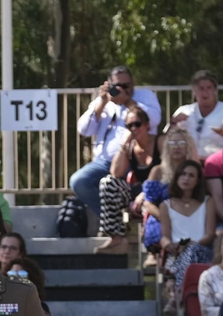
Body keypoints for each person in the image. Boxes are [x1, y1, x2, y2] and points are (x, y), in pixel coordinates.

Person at [71, 66, 163, 218]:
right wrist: (101, 102)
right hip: (103, 162)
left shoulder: (144, 96)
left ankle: (115, 223)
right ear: (109, 84)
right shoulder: (103, 101)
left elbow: (154, 119)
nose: (122, 90)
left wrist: (127, 101)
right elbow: (84, 130)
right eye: (117, 86)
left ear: (133, 84)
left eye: (126, 86)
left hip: (131, 162)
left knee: (111, 184)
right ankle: (114, 221)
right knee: (78, 182)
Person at [95, 105, 157, 250]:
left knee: (148, 204)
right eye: (129, 125)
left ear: (147, 125)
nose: (134, 128)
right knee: (107, 183)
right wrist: (124, 145)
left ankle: (152, 249)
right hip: (136, 192)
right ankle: (116, 236)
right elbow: (115, 173)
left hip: (158, 190)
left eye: (137, 124)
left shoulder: (158, 142)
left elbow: (166, 172)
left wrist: (146, 193)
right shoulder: (130, 147)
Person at [152, 160, 215, 297]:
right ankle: (180, 292)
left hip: (201, 251)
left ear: (198, 180)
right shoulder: (165, 205)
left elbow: (210, 234)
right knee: (180, 257)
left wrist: (190, 245)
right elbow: (165, 236)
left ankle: (178, 293)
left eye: (191, 175)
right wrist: (169, 245)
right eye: (183, 174)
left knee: (192, 251)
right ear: (177, 177)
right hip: (176, 253)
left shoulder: (207, 202)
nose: (186, 178)